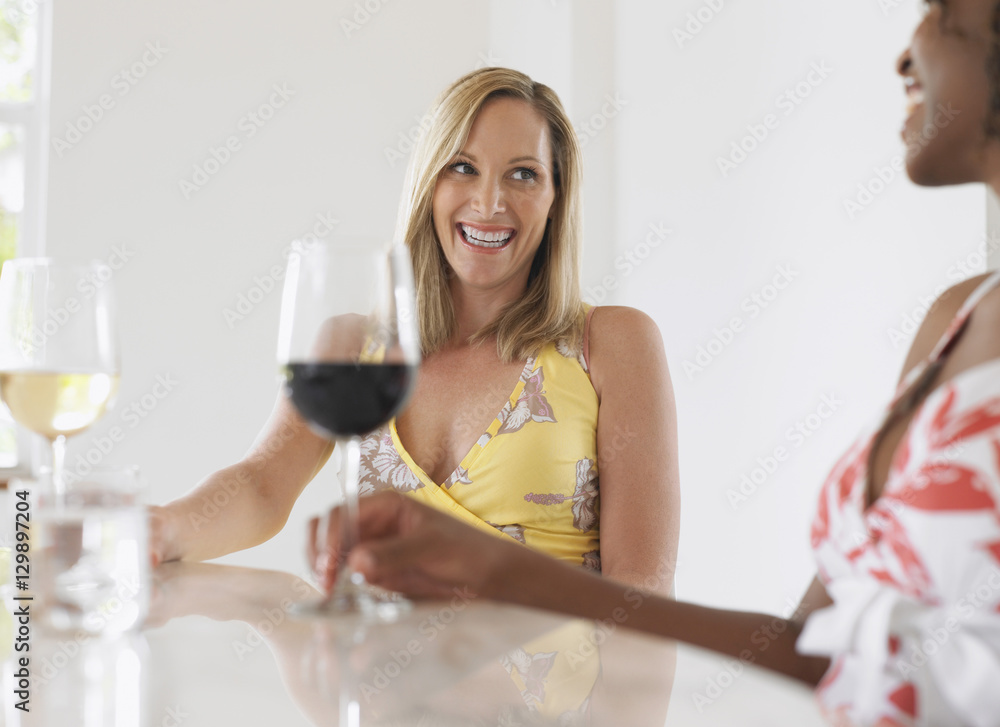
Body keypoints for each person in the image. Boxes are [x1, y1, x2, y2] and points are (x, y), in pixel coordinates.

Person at [308, 0, 1000, 725]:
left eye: (939, 11)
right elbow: (821, 653)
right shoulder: (957, 318)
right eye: (462, 167)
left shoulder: (610, 342)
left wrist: (504, 576)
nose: (905, 54)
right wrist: (495, 571)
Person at [151, 67, 680, 598]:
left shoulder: (613, 343)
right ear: (429, 182)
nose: (490, 202)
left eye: (523, 174)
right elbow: (262, 486)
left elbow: (643, 592)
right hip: (377, 675)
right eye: (463, 167)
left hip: (549, 677)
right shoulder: (355, 348)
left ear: (556, 197)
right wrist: (163, 529)